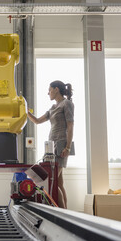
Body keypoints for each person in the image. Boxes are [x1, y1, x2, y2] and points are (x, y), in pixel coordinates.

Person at [27, 81, 74, 209]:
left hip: (62, 146)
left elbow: (70, 126)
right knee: (59, 183)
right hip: (52, 147)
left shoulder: (67, 104)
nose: (48, 93)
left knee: (52, 180)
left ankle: (62, 213)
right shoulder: (53, 108)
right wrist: (25, 110)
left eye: (50, 90)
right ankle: (65, 212)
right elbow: (36, 121)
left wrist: (68, 147)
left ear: (56, 89)